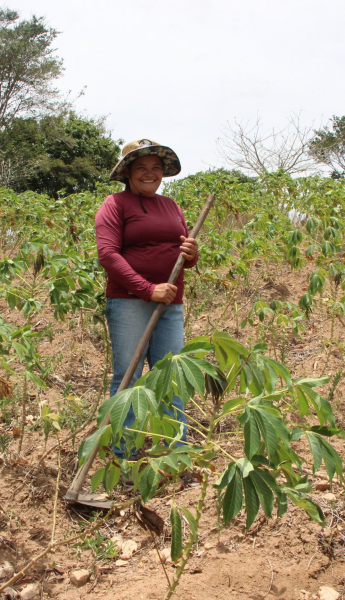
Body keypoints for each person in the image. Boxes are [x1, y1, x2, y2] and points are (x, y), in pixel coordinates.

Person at [94, 139, 199, 458]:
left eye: (156, 168)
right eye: (142, 168)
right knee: (129, 376)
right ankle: (125, 454)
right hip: (129, 302)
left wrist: (192, 255)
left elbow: (182, 254)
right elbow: (108, 255)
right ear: (128, 173)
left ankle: (176, 453)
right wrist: (147, 288)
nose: (150, 174)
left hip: (170, 304)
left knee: (172, 377)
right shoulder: (115, 205)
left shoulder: (171, 206)